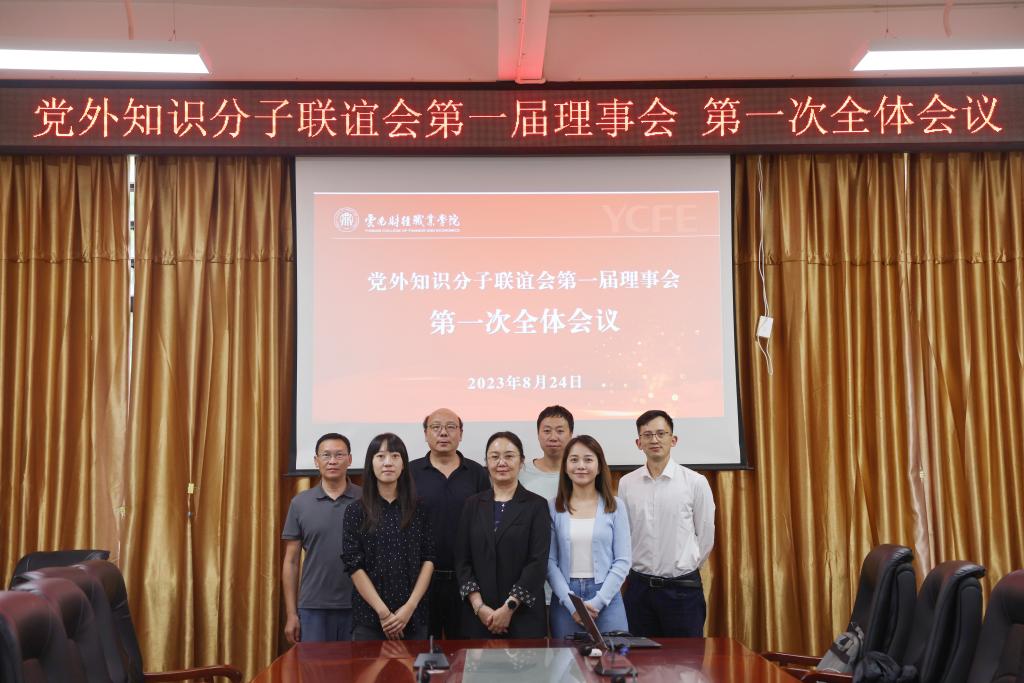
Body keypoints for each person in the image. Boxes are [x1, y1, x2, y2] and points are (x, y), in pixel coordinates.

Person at [617, 410, 716, 637]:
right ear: (638, 443)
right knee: (641, 657)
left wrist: (684, 566)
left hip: (682, 591)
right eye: (647, 435)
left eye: (661, 433)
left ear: (673, 440)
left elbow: (706, 535)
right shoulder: (626, 484)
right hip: (639, 590)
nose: (655, 440)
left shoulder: (695, 482)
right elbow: (625, 533)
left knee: (685, 658)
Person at [455, 431, 551, 639]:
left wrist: (509, 608)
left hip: (523, 617)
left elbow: (537, 563)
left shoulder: (537, 505)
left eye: (509, 456)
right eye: (494, 456)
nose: (501, 462)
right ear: (486, 462)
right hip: (479, 617)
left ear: (521, 461)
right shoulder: (472, 505)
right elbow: (462, 560)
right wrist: (479, 607)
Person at [342, 433, 435, 640]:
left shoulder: (420, 509)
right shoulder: (355, 511)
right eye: (380, 456)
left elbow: (428, 560)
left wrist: (409, 607)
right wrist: (384, 613)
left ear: (403, 464)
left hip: (413, 616)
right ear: (371, 463)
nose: (388, 463)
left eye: (395, 456)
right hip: (370, 617)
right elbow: (354, 565)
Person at [410, 408, 490, 638]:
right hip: (421, 581)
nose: (443, 433)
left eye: (450, 427)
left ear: (461, 433)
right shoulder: (410, 472)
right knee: (422, 649)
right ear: (425, 434)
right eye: (436, 427)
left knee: (465, 651)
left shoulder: (477, 473)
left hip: (466, 581)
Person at [547, 435, 631, 639]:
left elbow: (623, 560)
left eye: (588, 459)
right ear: (565, 467)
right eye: (574, 460)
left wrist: (598, 601)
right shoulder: (553, 507)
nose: (581, 466)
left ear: (599, 466)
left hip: (607, 596)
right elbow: (549, 562)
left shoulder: (616, 506)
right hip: (566, 601)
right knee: (566, 659)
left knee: (615, 657)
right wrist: (572, 604)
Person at [281, 432, 362, 643]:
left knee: (357, 665)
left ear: (350, 460)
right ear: (316, 461)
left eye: (339, 455)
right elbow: (291, 562)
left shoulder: (366, 500)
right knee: (314, 664)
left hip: (360, 605)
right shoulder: (300, 503)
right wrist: (291, 614)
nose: (332, 461)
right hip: (313, 607)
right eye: (326, 455)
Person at [518, 405, 574, 501]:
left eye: (560, 431)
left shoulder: (579, 472)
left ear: (570, 435)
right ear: (538, 434)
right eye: (547, 431)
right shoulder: (521, 472)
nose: (553, 437)